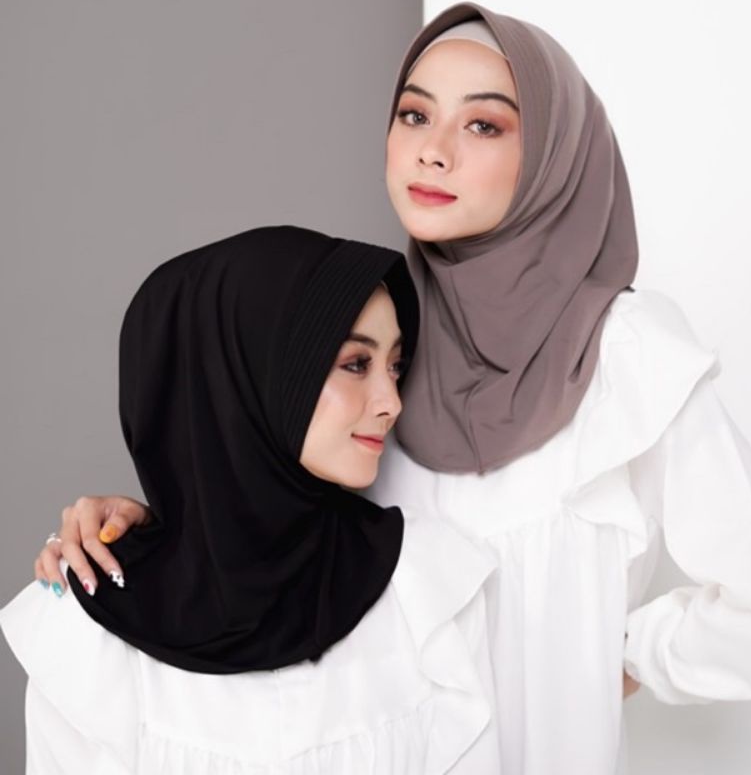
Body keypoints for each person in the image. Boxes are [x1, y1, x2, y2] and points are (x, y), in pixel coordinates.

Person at [27, 3, 751, 774]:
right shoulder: (379, 340)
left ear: (553, 156)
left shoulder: (625, 357)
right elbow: (267, 508)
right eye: (414, 115)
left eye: (483, 125)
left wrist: (615, 661)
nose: (433, 151)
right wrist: (160, 527)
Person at [1, 226, 495, 774]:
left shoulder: (423, 593)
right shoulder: (86, 644)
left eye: (395, 366)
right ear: (247, 375)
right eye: (356, 364)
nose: (391, 402)